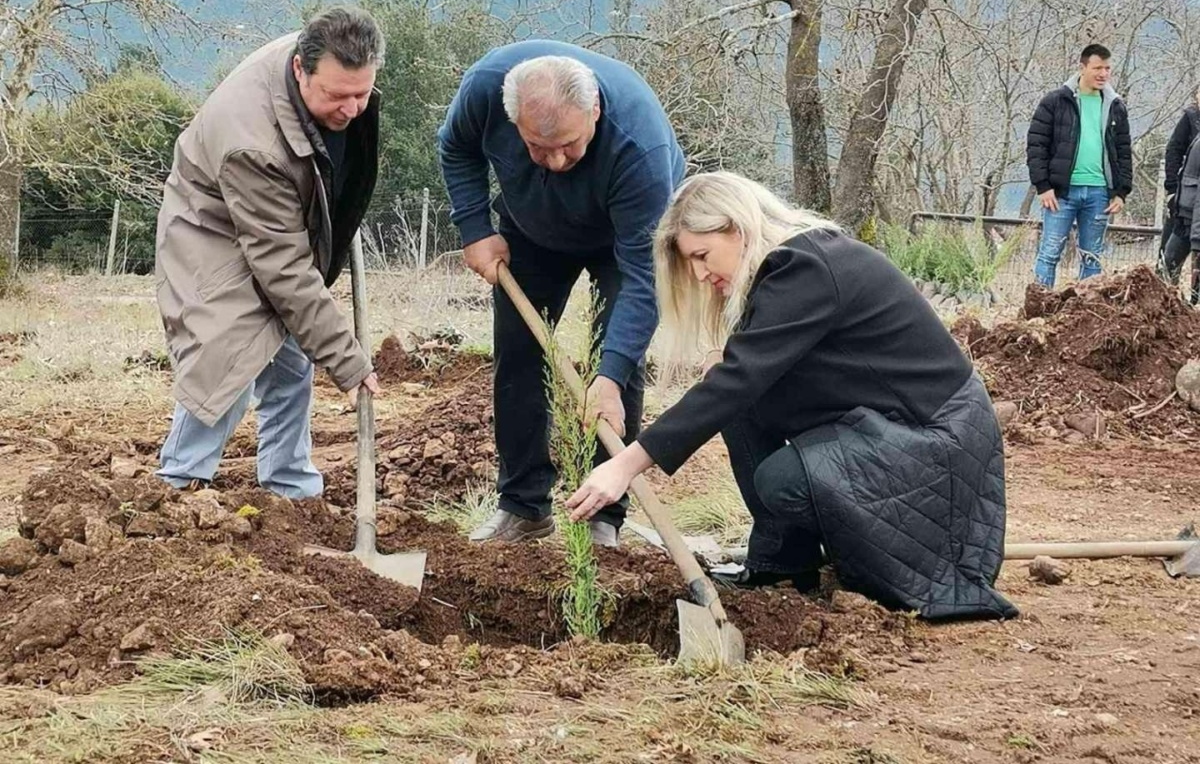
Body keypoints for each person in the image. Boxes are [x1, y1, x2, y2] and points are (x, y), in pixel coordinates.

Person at [565, 172, 1018, 620]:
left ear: (736, 229)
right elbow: (742, 382)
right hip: (894, 428)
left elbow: (736, 382)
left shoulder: (805, 267)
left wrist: (624, 466)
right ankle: (784, 563)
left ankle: (870, 570)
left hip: (940, 442)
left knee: (781, 478)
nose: (701, 275)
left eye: (702, 256)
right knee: (738, 403)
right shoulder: (791, 268)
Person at [439, 40, 685, 547]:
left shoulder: (641, 150)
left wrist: (610, 376)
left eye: (569, 145)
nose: (553, 161)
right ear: (513, 123)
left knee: (615, 362)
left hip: (621, 241)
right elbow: (456, 147)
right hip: (529, 230)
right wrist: (473, 227)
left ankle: (604, 515)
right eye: (535, 147)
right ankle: (523, 506)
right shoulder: (487, 89)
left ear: (594, 110)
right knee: (519, 353)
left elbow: (643, 280)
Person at [154, 7, 385, 498]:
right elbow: (282, 268)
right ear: (301, 70)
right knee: (228, 357)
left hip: (270, 222)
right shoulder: (252, 144)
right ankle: (177, 487)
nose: (351, 109)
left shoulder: (324, 60)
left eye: (362, 94)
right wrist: (348, 361)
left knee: (294, 357)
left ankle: (290, 490)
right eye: (337, 96)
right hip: (211, 230)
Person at [1027, 43, 1132, 287]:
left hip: (1099, 193)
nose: (1103, 74)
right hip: (1061, 192)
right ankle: (1040, 307)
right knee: (1050, 252)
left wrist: (1121, 191)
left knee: (1092, 257)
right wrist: (1043, 186)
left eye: (1107, 68)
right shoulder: (1055, 101)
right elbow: (1036, 145)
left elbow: (1124, 151)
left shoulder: (1115, 106)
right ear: (1082, 67)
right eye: (1097, 68)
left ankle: (1087, 311)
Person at [1159, 91, 1200, 283]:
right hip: (1186, 205)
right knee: (1168, 261)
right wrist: (1172, 189)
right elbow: (1173, 151)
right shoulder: (1191, 118)